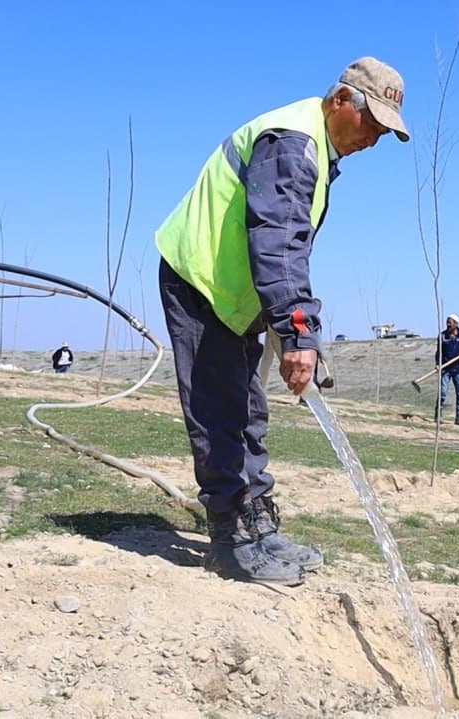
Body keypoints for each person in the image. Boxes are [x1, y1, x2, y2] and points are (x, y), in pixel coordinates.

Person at [155, 57, 409, 585]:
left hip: (237, 296)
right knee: (219, 409)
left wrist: (294, 326)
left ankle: (258, 525)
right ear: (342, 100)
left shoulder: (313, 146)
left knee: (248, 410)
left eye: (386, 132)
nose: (375, 140)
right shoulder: (292, 142)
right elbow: (278, 241)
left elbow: (285, 248)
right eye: (373, 124)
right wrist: (297, 331)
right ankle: (229, 538)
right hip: (202, 282)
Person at [436, 313, 459, 426]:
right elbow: (438, 352)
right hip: (445, 369)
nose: (448, 324)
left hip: (458, 369)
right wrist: (438, 363)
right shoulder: (442, 336)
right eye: (447, 322)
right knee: (442, 392)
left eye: (450, 322)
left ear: (456, 324)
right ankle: (438, 416)